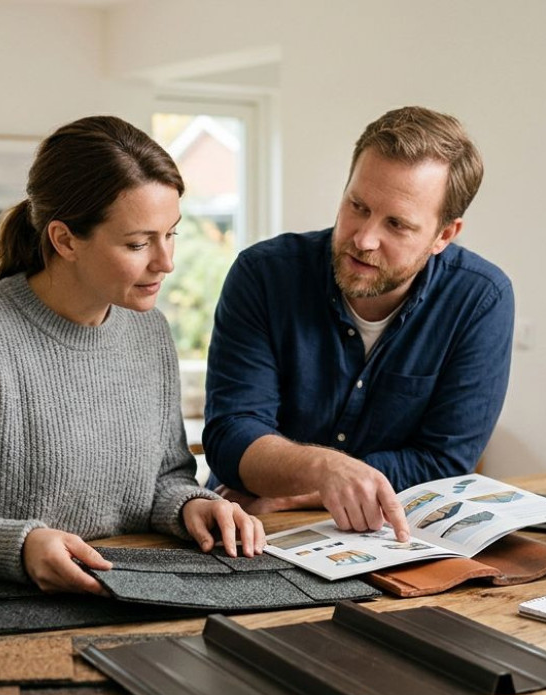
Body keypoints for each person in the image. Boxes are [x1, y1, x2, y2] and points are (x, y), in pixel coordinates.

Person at [0, 116, 264, 595]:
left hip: (126, 598)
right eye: (138, 243)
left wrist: (191, 506)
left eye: (171, 234)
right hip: (3, 610)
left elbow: (163, 479)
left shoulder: (149, 331)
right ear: (64, 240)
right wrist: (20, 547)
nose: (166, 262)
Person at [203, 106, 514, 541]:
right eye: (358, 206)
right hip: (250, 528)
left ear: (445, 234)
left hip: (380, 536)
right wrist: (326, 470)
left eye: (397, 224)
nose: (364, 239)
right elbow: (231, 436)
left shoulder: (480, 299)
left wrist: (304, 490)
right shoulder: (263, 275)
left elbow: (443, 463)